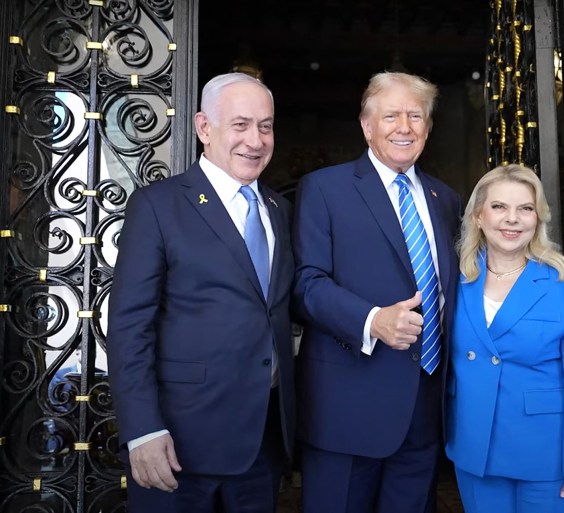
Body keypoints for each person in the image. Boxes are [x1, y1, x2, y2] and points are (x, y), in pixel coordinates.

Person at [107, 72, 295, 513]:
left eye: (265, 126)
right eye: (241, 124)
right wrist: (143, 429)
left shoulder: (278, 209)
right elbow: (129, 326)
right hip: (177, 443)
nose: (256, 139)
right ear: (204, 128)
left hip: (263, 441)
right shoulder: (157, 205)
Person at [292, 71, 463, 513]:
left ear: (428, 127)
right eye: (391, 116)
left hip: (423, 414)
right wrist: (373, 320)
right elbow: (306, 285)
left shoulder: (447, 200)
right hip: (347, 410)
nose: (404, 127)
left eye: (415, 115)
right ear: (367, 125)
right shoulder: (324, 189)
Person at [445, 164, 564, 513]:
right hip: (475, 449)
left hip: (548, 456)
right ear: (478, 216)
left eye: (525, 208)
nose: (512, 219)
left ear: (538, 218)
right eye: (499, 207)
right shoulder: (452, 280)